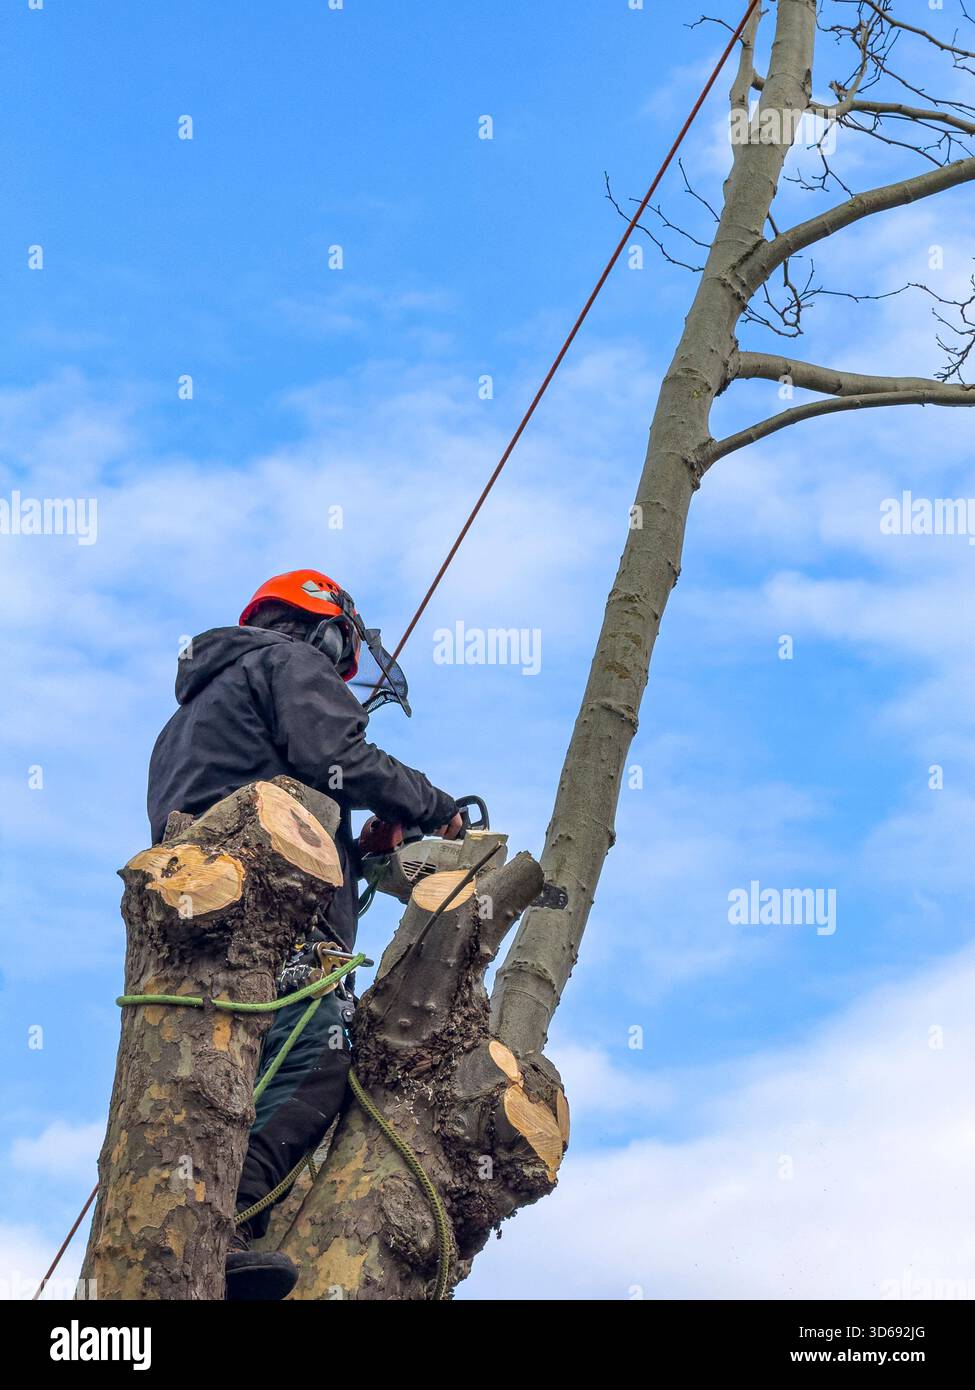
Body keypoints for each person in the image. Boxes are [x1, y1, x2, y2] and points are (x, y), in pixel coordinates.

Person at [147, 569, 460, 1299]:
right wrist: (432, 806)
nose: (338, 671)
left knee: (232, 1088)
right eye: (338, 650)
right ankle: (221, 1231)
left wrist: (365, 849)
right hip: (276, 929)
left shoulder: (189, 719)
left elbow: (278, 799)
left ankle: (202, 1227)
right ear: (320, 627)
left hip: (208, 925)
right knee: (319, 1063)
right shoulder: (288, 663)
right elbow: (342, 759)